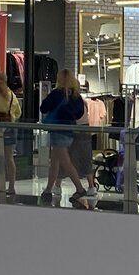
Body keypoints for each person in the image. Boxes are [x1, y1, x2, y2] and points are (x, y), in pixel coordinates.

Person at [40, 69, 88, 204]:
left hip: (57, 130)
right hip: (69, 130)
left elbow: (43, 108)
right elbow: (80, 113)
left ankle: (80, 189)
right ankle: (48, 190)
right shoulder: (76, 96)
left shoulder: (56, 93)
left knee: (65, 162)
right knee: (55, 161)